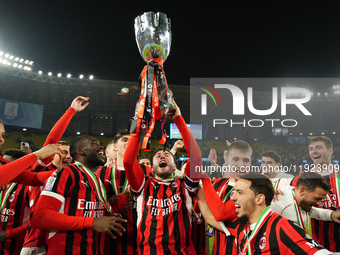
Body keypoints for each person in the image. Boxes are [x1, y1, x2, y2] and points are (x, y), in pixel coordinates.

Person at [123, 101, 202, 254]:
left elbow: (196, 157)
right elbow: (128, 162)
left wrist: (178, 118)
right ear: (152, 167)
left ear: (174, 165)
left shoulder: (185, 185)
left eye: (166, 155)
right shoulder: (143, 184)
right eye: (158, 155)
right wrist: (140, 123)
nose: (162, 156)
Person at [31, 135, 126, 255]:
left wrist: (113, 203)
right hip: (66, 250)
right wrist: (92, 222)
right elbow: (39, 217)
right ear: (80, 150)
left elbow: (87, 211)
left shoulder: (95, 179)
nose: (100, 146)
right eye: (94, 144)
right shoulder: (66, 173)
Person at [21, 96, 89, 255]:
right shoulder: (40, 170)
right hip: (35, 246)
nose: (68, 156)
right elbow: (51, 139)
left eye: (70, 153)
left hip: (60, 245)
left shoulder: (71, 177)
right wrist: (71, 111)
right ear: (52, 153)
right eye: (63, 152)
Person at [198, 173, 330, 254]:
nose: (233, 197)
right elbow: (210, 218)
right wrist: (198, 188)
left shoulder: (282, 227)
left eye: (240, 192)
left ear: (259, 199)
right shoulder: (240, 226)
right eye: (234, 192)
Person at [97, 129, 153, 255]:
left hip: (140, 232)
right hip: (110, 234)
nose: (129, 142)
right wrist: (109, 202)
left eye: (133, 140)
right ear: (115, 146)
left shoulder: (148, 171)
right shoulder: (101, 172)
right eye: (125, 139)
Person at [203, 140, 252, 255]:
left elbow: (220, 215)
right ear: (226, 160)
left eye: (246, 160)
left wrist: (203, 180)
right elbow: (197, 208)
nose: (241, 165)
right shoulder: (217, 184)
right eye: (236, 159)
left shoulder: (253, 188)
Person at [292, 136, 340, 252]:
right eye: (311, 148)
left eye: (319, 148)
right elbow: (294, 205)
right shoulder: (301, 178)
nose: (314, 151)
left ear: (330, 151)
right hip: (316, 245)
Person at [271, 172, 340, 236]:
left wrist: (331, 215)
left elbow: (311, 211)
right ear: (302, 191)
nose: (320, 204)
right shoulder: (276, 201)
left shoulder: (297, 197)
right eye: (317, 198)